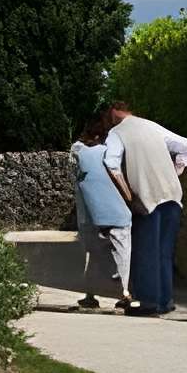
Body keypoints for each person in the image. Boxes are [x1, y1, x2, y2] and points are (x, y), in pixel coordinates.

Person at [103, 102, 187, 318]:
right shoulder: (152, 126)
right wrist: (176, 171)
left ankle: (148, 302)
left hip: (147, 197)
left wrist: (128, 196)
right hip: (173, 194)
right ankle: (165, 300)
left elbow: (111, 164)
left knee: (146, 251)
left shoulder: (117, 133)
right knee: (164, 252)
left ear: (112, 114)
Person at [71, 114, 132, 311]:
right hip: (118, 211)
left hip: (90, 214)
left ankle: (91, 295)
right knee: (122, 253)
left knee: (93, 254)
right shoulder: (112, 151)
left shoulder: (76, 150)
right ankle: (123, 293)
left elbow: (77, 180)